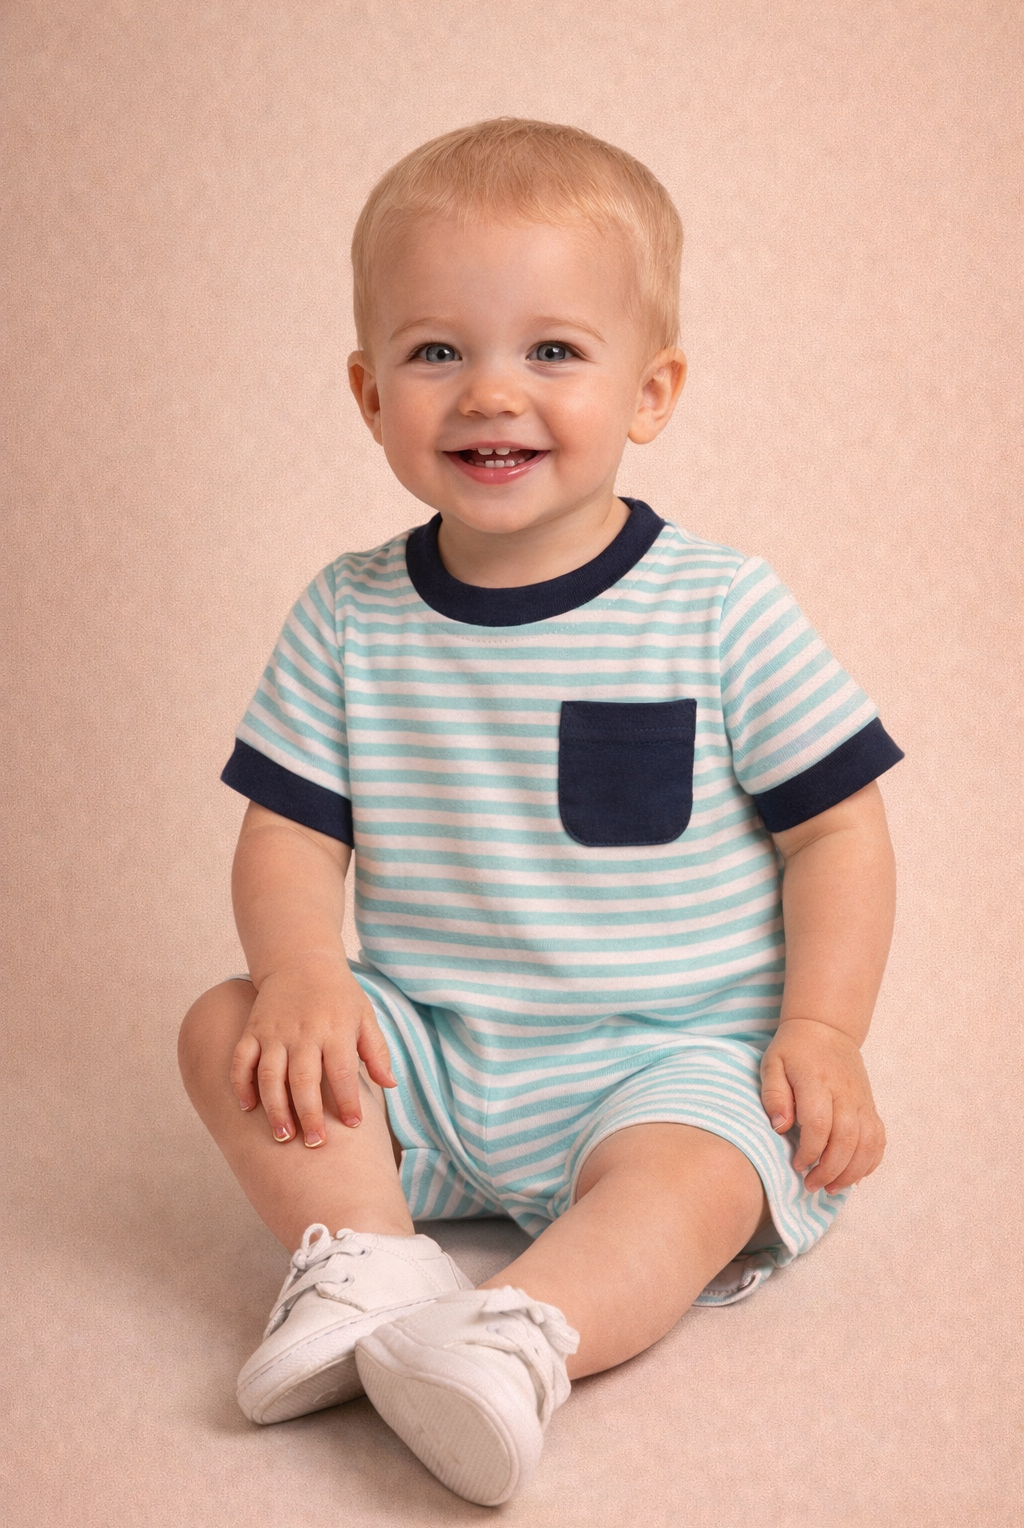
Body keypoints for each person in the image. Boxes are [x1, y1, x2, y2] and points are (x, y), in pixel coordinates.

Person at [178, 118, 902, 1507]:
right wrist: (306, 974)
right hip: (435, 1066)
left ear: (652, 390)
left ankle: (517, 1337)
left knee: (698, 1178)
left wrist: (822, 1032)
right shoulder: (349, 615)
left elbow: (839, 829)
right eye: (436, 351)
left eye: (553, 352)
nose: (488, 394)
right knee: (228, 1025)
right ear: (366, 390)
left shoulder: (718, 608)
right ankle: (374, 1266)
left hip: (663, 1064)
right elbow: (290, 834)